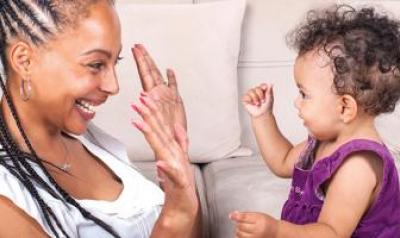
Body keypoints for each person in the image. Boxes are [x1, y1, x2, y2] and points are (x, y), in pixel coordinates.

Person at [0, 0, 200, 237]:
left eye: (115, 63)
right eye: (95, 65)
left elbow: (191, 227)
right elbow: (177, 219)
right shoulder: (7, 199)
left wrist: (175, 159)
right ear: (24, 60)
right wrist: (174, 218)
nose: (113, 86)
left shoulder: (88, 137)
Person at [230, 4, 400, 238]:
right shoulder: (324, 140)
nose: (297, 103)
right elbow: (282, 162)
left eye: (304, 94)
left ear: (344, 107)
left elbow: (331, 233)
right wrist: (262, 117)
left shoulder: (357, 165)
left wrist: (276, 230)